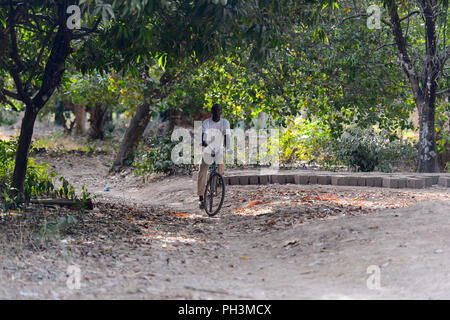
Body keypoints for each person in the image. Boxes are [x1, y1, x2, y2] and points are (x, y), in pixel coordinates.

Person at [197, 104, 231, 209]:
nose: (217, 113)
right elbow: (204, 136)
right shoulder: (206, 123)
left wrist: (228, 147)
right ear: (212, 112)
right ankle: (201, 198)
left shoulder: (225, 122)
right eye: (215, 111)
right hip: (208, 148)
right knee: (202, 172)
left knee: (221, 164)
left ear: (221, 112)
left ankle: (218, 178)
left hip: (219, 149)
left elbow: (227, 136)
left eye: (219, 111)